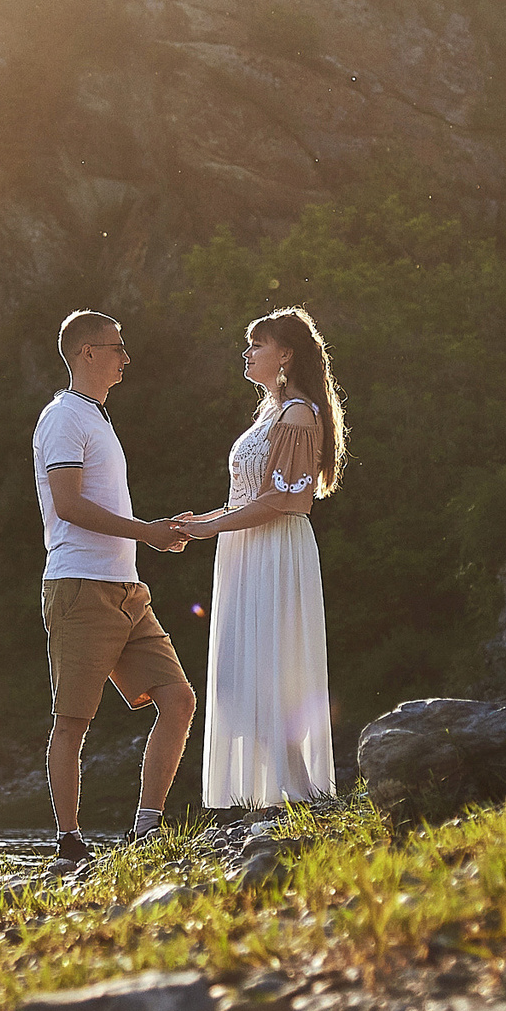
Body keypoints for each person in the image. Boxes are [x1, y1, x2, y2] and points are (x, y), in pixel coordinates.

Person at [33, 310, 196, 866]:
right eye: (116, 347)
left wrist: (153, 534)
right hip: (80, 587)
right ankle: (70, 843)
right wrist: (148, 534)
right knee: (73, 720)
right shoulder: (63, 419)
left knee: (177, 699)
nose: (125, 357)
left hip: (127, 592)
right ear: (86, 353)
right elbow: (69, 505)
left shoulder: (98, 418)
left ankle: (147, 827)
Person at [177, 307, 345, 810]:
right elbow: (248, 496)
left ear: (286, 354)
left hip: (273, 549)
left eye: (257, 345)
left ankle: (296, 791)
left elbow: (282, 501)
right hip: (247, 547)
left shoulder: (297, 413)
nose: (247, 353)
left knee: (272, 664)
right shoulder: (272, 412)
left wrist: (210, 528)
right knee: (246, 669)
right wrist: (199, 520)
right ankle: (275, 793)